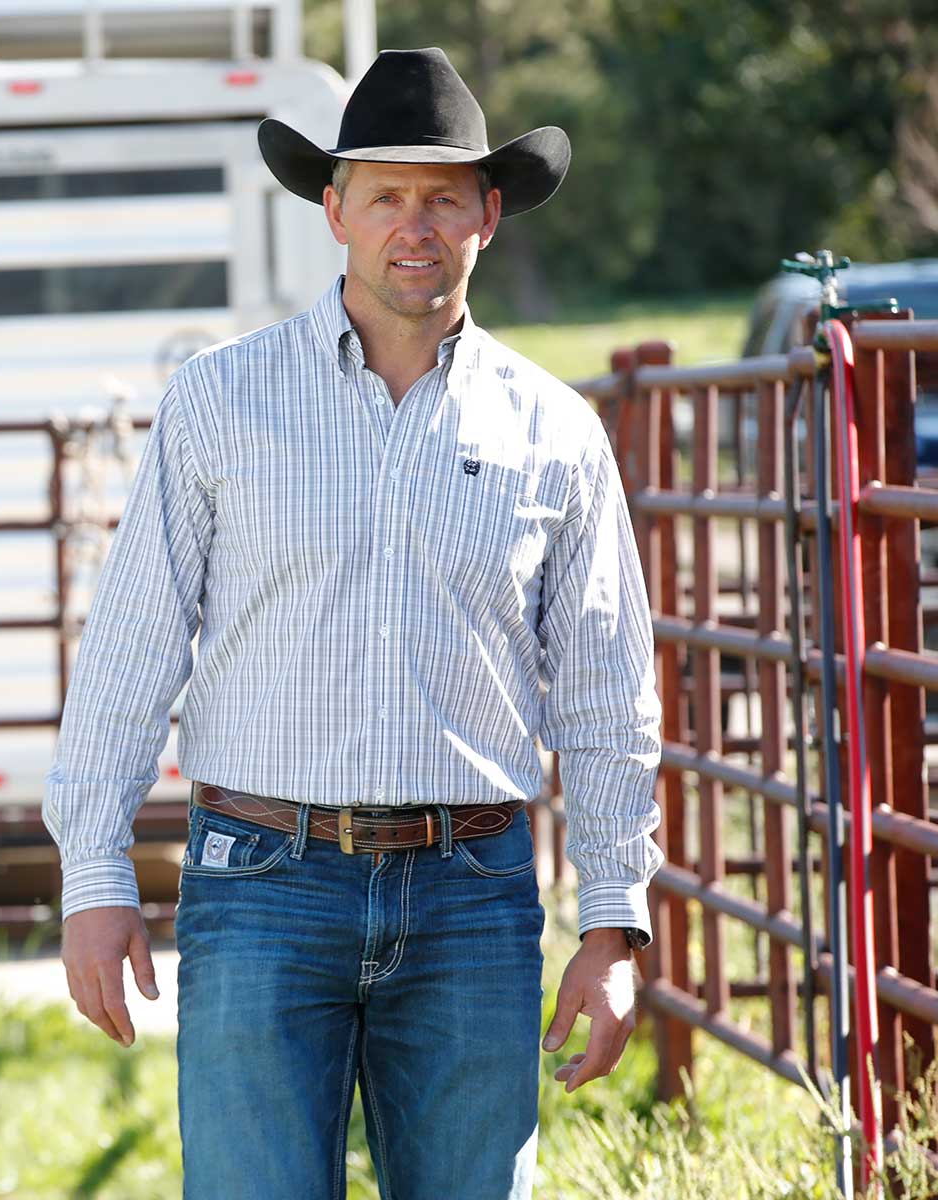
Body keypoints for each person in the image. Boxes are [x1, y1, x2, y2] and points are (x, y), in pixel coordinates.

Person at [41, 46, 663, 1198]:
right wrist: (96, 876)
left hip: (474, 894)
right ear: (335, 210)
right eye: (384, 195)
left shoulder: (558, 433)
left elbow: (606, 692)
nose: (412, 226)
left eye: (441, 197)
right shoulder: (220, 403)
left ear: (488, 213)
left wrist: (616, 923)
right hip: (260, 880)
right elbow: (131, 649)